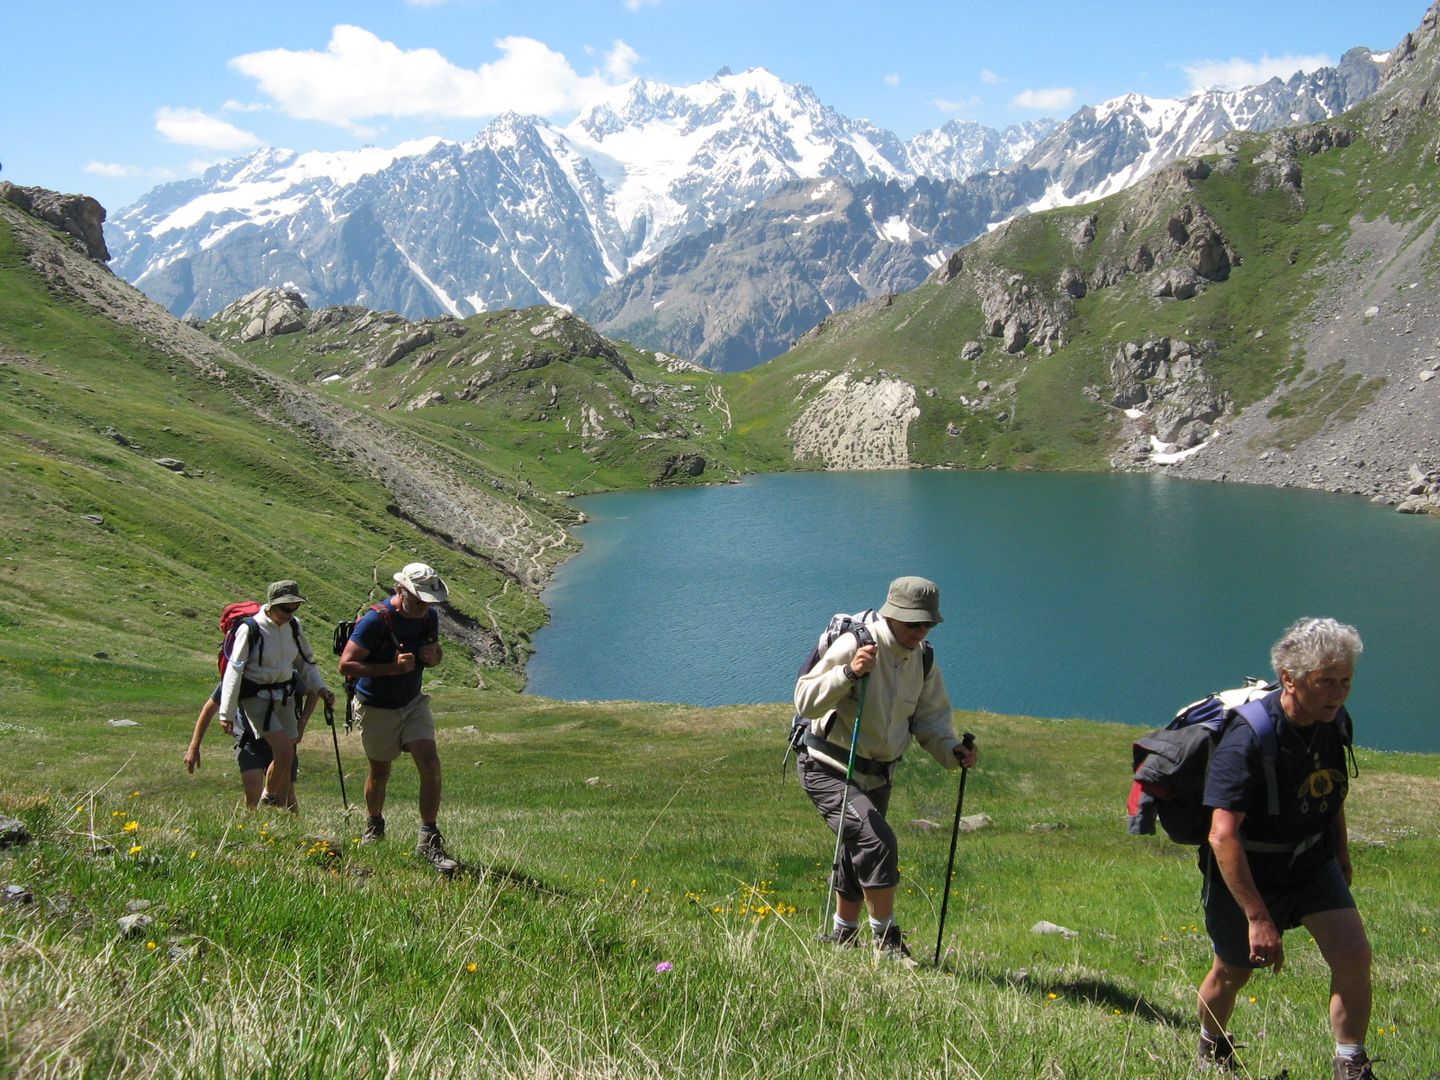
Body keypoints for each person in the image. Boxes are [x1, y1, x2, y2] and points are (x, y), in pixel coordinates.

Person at [1195, 618, 1374, 1079]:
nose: (1338, 693)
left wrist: (1341, 852)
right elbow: (1221, 835)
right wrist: (1257, 917)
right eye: (1326, 682)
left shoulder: (1334, 722)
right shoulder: (1248, 738)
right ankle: (1211, 1044)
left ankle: (1351, 1062)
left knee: (1354, 954)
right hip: (1250, 873)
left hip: (1312, 862)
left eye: (1346, 681)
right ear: (1290, 678)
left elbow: (1328, 790)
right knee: (1233, 973)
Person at [794, 575, 979, 960]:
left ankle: (843, 937)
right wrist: (848, 674)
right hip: (827, 765)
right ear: (892, 615)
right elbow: (805, 701)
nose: (921, 630)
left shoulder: (922, 658)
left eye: (927, 623)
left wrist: (952, 751)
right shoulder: (856, 644)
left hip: (879, 773)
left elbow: (931, 722)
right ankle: (887, 942)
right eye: (914, 622)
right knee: (877, 841)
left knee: (858, 847)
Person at [338, 562, 459, 874]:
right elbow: (346, 666)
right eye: (419, 600)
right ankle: (374, 824)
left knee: (430, 764)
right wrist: (391, 668)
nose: (424, 608)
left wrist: (436, 657)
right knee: (380, 772)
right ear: (400, 591)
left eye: (429, 602)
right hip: (376, 705)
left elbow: (433, 652)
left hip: (413, 702)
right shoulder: (374, 621)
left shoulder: (428, 616)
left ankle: (428, 839)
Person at [217, 580, 334, 811]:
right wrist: (226, 713)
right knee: (284, 751)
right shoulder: (250, 629)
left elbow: (305, 662)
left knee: (286, 756)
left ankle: (274, 806)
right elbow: (235, 669)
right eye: (285, 609)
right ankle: (268, 800)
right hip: (257, 699)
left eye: (295, 608)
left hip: (285, 698)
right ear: (270, 605)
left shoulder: (293, 626)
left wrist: (320, 689)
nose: (290, 614)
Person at [184, 682, 317, 810]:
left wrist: (302, 723)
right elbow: (209, 709)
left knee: (285, 797)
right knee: (252, 791)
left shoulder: (285, 670)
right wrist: (193, 748)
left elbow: (314, 692)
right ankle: (253, 827)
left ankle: (290, 829)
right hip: (249, 738)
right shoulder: (239, 673)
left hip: (281, 740)